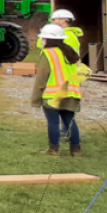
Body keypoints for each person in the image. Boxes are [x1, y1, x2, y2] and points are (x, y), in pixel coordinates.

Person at [30, 23, 82, 156]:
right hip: (71, 93)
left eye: (44, 38)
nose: (42, 40)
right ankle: (76, 150)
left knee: (53, 122)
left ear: (48, 39)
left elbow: (41, 77)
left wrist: (35, 99)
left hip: (53, 95)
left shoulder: (48, 53)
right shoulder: (70, 51)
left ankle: (53, 149)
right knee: (70, 122)